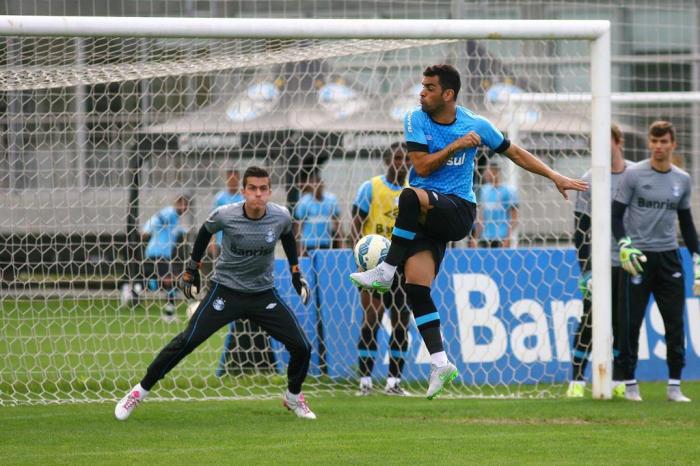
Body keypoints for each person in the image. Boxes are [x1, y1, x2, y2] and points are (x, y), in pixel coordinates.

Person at [350, 64, 587, 400]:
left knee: (408, 195)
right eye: (422, 86)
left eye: (429, 88)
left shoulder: (477, 124)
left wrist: (555, 176)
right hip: (424, 217)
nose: (422, 92)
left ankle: (385, 270)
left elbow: (515, 152)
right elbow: (420, 166)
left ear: (448, 94)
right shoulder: (415, 119)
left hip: (458, 211)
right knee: (417, 289)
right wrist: (457, 146)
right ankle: (440, 362)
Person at [115, 166, 316, 420]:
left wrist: (296, 274)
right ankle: (138, 392)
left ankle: (293, 396)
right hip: (225, 292)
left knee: (302, 346)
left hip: (262, 293)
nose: (258, 194)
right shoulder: (225, 215)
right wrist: (192, 269)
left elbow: (287, 236)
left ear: (269, 191)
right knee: (186, 341)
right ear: (243, 191)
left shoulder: (281, 216)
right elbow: (204, 232)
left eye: (263, 188)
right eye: (252, 188)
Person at [612, 121, 700, 402]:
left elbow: (686, 223)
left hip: (669, 258)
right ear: (649, 143)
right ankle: (629, 384)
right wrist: (624, 244)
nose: (658, 147)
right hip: (637, 258)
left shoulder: (682, 180)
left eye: (664, 142)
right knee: (631, 325)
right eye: (654, 141)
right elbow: (615, 215)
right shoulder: (633, 175)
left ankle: (674, 386)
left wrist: (697, 255)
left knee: (675, 323)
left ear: (673, 144)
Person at [567, 124, 630, 398]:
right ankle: (577, 380)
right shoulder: (588, 180)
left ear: (619, 142)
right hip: (599, 265)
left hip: (627, 263)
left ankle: (617, 380)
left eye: (607, 141)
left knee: (622, 322)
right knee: (589, 320)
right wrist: (587, 270)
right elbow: (580, 230)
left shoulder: (634, 176)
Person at [351, 142, 412, 396]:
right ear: (388, 160)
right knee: (372, 319)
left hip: (402, 267)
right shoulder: (371, 187)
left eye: (407, 160)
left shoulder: (413, 191)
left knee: (401, 322)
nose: (402, 164)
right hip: (374, 266)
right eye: (398, 159)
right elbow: (355, 222)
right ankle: (365, 382)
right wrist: (360, 256)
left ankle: (393, 383)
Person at [141, 194, 190, 322]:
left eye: (186, 205)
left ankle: (134, 289)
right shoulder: (169, 212)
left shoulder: (176, 218)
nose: (184, 207)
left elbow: (176, 230)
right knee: (169, 280)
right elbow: (155, 219)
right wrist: (146, 230)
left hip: (162, 254)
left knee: (163, 280)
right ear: (177, 203)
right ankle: (169, 315)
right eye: (182, 204)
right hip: (157, 252)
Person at [293, 170, 343, 256]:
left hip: (325, 243)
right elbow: (298, 226)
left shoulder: (331, 200)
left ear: (322, 184)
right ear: (309, 186)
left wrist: (341, 244)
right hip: (308, 244)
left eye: (318, 183)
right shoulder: (304, 202)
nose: (316, 186)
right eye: (313, 184)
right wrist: (299, 248)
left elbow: (337, 223)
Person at [473, 162, 518, 248]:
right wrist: (475, 237)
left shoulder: (508, 191)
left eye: (488, 171)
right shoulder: (484, 190)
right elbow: (481, 216)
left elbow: (514, 217)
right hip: (486, 236)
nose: (486, 174)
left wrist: (508, 237)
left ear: (496, 172)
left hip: (501, 237)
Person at [208, 168, 243, 258]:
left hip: (240, 243)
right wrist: (212, 241)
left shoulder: (244, 198)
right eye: (230, 179)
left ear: (239, 179)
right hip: (221, 243)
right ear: (227, 179)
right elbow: (212, 221)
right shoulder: (219, 198)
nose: (233, 181)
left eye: (235, 179)